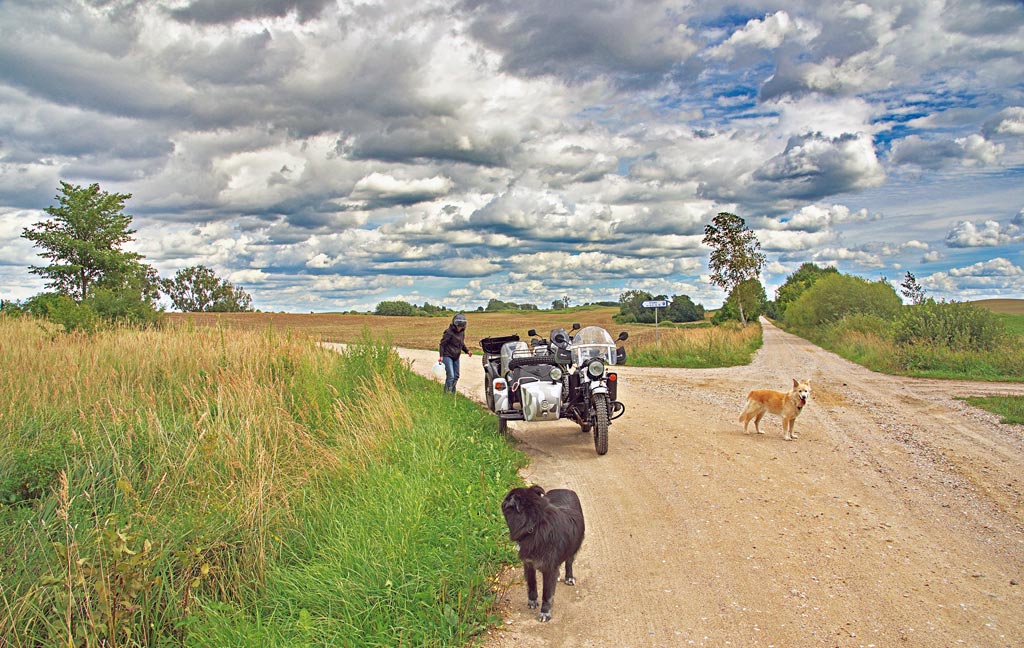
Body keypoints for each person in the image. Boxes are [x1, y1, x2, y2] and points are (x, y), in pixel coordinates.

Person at [439, 313, 472, 393]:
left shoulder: (462, 332)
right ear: (454, 324)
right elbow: (442, 344)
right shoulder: (449, 332)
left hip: (456, 356)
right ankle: (446, 393)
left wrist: (467, 351)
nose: (459, 328)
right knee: (451, 376)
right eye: (458, 326)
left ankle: (452, 393)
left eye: (461, 326)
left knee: (456, 376)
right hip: (447, 355)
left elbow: (461, 343)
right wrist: (441, 356)